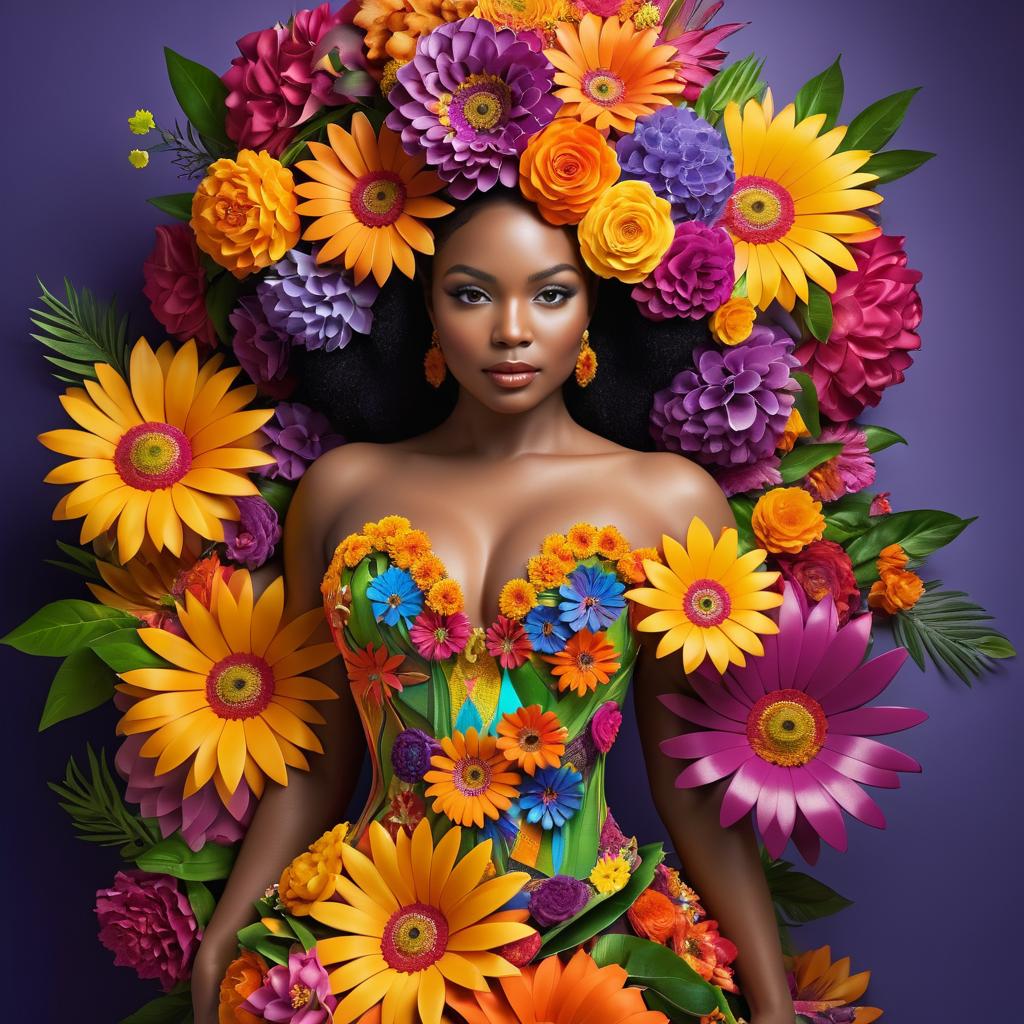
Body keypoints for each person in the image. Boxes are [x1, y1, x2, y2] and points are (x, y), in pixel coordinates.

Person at [189, 187, 795, 1024]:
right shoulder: (341, 491)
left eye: (550, 293)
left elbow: (690, 780)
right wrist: (225, 934)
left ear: (593, 310)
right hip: (370, 954)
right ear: (428, 310)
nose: (512, 329)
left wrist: (771, 998)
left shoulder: (668, 501)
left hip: (586, 959)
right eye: (472, 293)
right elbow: (317, 767)